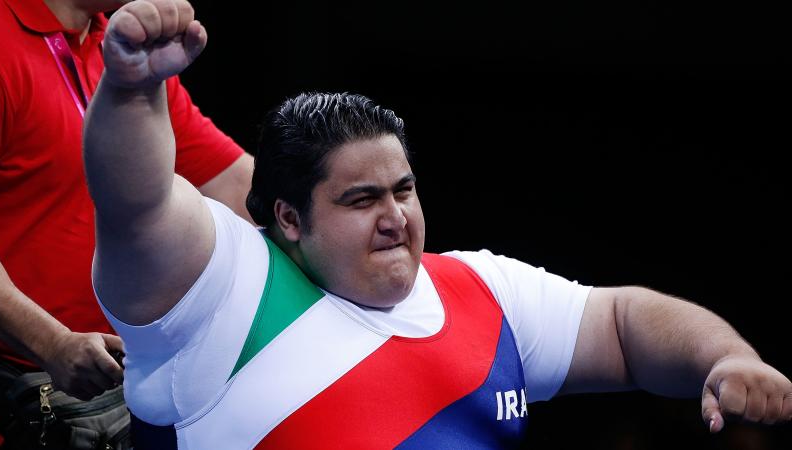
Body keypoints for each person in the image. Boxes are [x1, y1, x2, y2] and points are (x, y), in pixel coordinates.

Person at [83, 0, 792, 448]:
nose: (395, 218)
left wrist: (723, 357)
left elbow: (625, 323)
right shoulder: (223, 294)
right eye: (362, 200)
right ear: (289, 219)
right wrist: (131, 89)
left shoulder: (481, 290)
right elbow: (135, 204)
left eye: (404, 191)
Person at [0, 0, 254, 446]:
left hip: (117, 392)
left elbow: (233, 183)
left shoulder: (117, 46)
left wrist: (337, 223)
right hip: (17, 398)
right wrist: (52, 343)